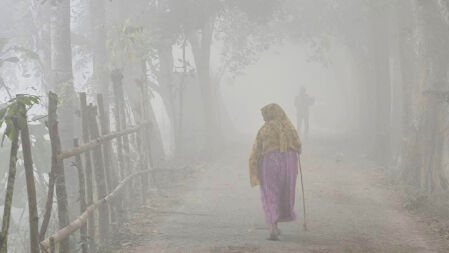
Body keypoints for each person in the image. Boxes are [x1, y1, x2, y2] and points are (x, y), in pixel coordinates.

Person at [249, 103, 302, 240]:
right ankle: (276, 226)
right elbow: (298, 146)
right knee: (283, 192)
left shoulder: (264, 130)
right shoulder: (289, 128)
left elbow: (255, 151)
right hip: (288, 164)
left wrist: (253, 168)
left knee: (270, 193)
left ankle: (272, 227)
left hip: (269, 164)